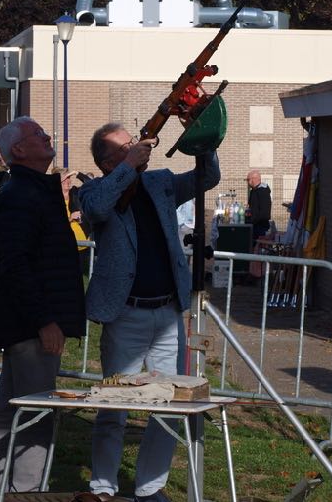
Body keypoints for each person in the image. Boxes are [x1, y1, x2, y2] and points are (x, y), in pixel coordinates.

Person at [81, 122, 220, 502]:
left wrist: (202, 134)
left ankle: (150, 487)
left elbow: (207, 176)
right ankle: (103, 487)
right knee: (114, 407)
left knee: (170, 404)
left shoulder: (159, 182)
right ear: (108, 161)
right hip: (125, 313)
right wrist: (129, 166)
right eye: (126, 147)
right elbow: (94, 209)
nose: (138, 147)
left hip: (167, 311)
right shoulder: (96, 188)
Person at [0, 117, 86, 494]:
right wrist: (45, 320)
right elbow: (16, 264)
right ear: (19, 150)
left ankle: (1, 489)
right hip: (31, 324)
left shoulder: (34, 191)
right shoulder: (20, 195)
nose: (47, 137)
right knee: (35, 412)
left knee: (15, 407)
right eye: (37, 135)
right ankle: (24, 491)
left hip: (29, 322)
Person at [246, 170, 272, 242]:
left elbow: (265, 212)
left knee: (257, 247)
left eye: (248, 179)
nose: (247, 182)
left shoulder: (263, 191)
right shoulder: (253, 191)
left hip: (261, 227)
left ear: (253, 179)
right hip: (254, 225)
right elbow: (251, 207)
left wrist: (253, 220)